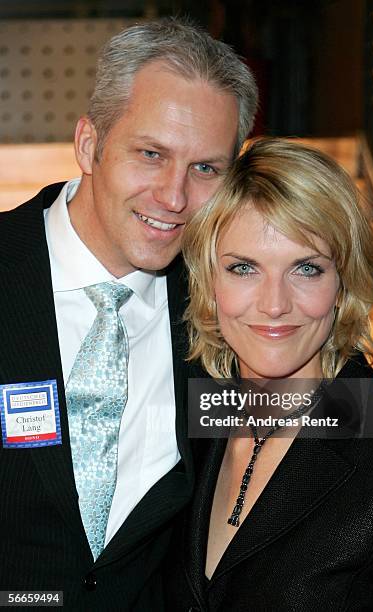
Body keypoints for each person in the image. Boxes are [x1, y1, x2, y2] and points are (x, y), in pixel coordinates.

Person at [0, 18, 257, 611]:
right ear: (90, 144)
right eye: (151, 154)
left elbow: (332, 401)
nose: (173, 197)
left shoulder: (223, 307)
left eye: (205, 169)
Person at [165, 138, 373, 610]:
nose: (274, 304)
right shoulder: (193, 424)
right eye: (244, 268)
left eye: (307, 269)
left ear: (342, 283)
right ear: (209, 281)